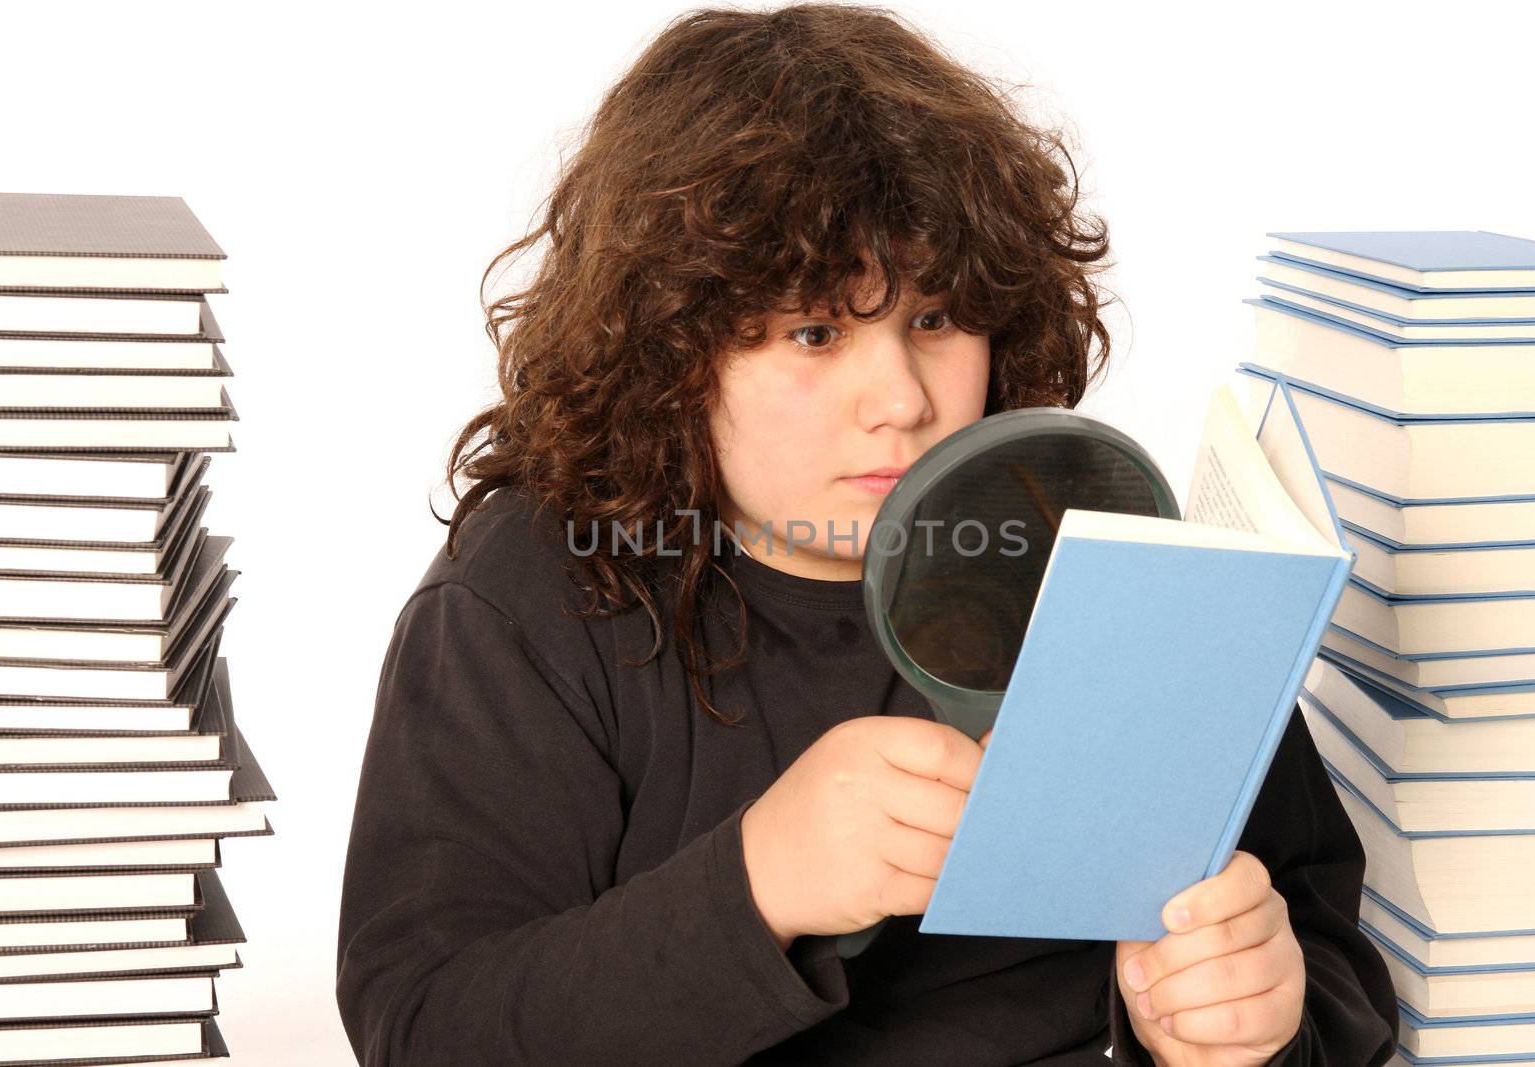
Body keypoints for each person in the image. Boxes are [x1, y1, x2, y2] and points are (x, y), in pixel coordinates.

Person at [334, 4, 1400, 1064]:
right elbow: (426, 1025)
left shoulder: (1099, 543)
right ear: (670, 348)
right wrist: (756, 881)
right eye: (813, 331)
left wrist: (1258, 1017)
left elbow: (1326, 948)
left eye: (933, 320)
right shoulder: (528, 596)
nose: (898, 397)